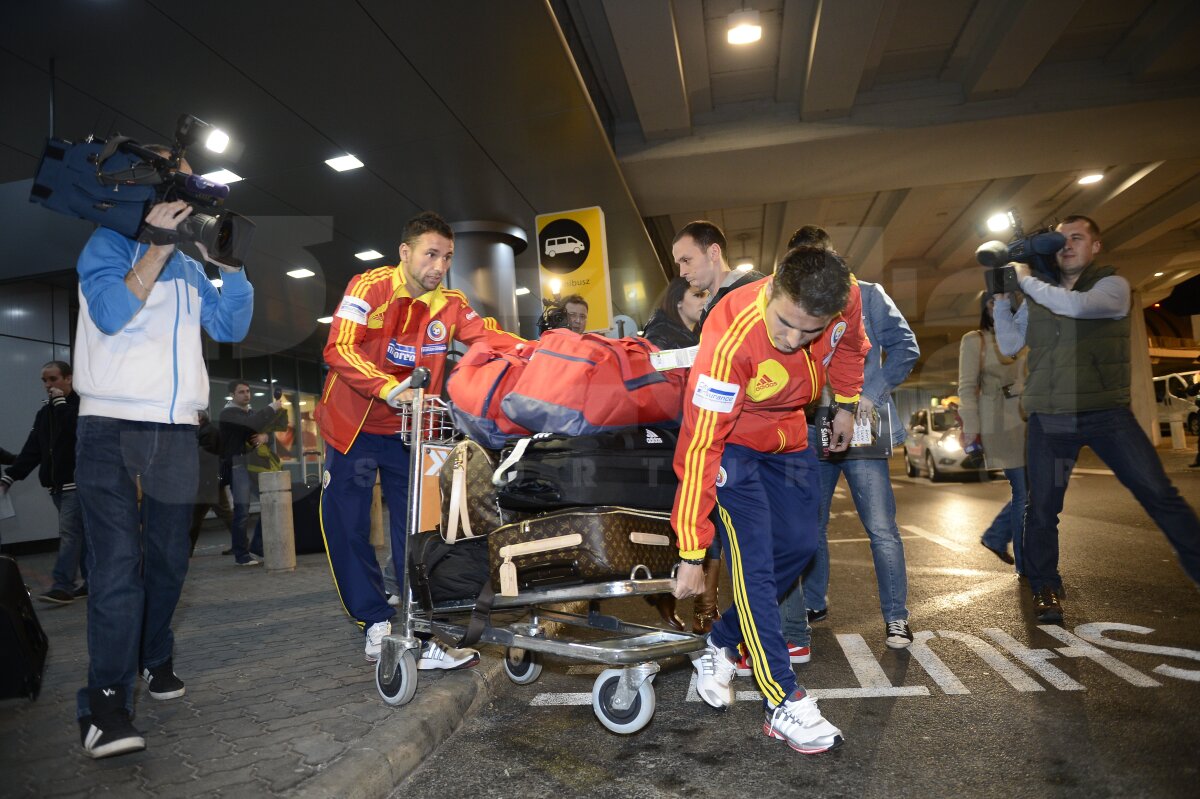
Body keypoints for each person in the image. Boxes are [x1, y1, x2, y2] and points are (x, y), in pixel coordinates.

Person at [71, 149, 254, 758]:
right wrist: (152, 246)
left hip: (177, 430)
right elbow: (109, 313)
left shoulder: (188, 269)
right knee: (117, 565)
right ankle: (105, 707)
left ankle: (154, 657)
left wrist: (230, 268)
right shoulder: (108, 241)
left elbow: (230, 328)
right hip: (110, 425)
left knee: (171, 560)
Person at [672, 245, 866, 754]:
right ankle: (782, 701)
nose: (794, 340)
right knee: (753, 561)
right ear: (773, 284)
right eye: (786, 324)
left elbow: (850, 348)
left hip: (790, 436)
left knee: (802, 546)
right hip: (733, 444)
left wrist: (844, 404)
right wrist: (692, 549)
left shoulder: (846, 299)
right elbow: (699, 445)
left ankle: (721, 639)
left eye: (810, 331)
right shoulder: (730, 335)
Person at [315, 211, 524, 666]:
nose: (439, 266)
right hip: (352, 427)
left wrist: (540, 352)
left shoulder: (450, 303)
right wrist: (390, 388)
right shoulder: (367, 287)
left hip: (411, 432)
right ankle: (374, 621)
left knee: (415, 531)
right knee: (348, 526)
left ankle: (416, 624)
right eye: (431, 254)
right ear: (405, 252)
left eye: (447, 256)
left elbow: (486, 336)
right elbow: (339, 347)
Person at [993, 214, 1200, 622]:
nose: (1067, 245)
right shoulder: (1038, 296)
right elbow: (1010, 344)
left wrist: (1027, 280)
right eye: (1060, 239)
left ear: (1095, 246)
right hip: (1050, 417)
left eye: (1076, 237)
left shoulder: (1112, 286)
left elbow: (1078, 307)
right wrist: (1002, 302)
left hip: (1106, 411)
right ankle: (1045, 587)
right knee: (1042, 508)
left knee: (1159, 494)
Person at [795, 256, 919, 647]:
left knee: (881, 527)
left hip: (863, 422)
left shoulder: (867, 294)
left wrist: (871, 394)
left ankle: (896, 618)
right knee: (810, 526)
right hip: (816, 423)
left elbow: (905, 348)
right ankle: (814, 603)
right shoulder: (797, 300)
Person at [670, 221, 769, 634]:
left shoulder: (757, 293)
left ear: (713, 253)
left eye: (686, 259)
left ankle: (766, 637)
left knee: (763, 549)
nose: (682, 272)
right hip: (732, 438)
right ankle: (763, 635)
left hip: (757, 439)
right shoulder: (714, 306)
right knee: (754, 549)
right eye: (677, 263)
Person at [1, 361, 87, 604]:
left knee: (70, 533)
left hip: (77, 483)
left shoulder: (81, 406)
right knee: (80, 534)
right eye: (44, 380)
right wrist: (11, 476)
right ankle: (91, 582)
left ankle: (62, 586)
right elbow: (34, 448)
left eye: (53, 379)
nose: (48, 385)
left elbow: (78, 433)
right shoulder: (45, 413)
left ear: (69, 379)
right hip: (56, 486)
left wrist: (61, 404)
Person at [958, 293, 1027, 569]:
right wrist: (972, 434)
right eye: (991, 302)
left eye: (1005, 300)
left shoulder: (1024, 334)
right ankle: (1028, 566)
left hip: (1032, 420)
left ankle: (997, 536)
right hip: (1000, 423)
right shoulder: (975, 340)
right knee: (1025, 491)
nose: (998, 306)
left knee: (1036, 492)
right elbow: (966, 389)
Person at [219, 381, 284, 566]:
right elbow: (250, 426)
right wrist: (271, 407)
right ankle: (241, 555)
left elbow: (264, 431)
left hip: (255, 466)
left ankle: (257, 546)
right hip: (238, 466)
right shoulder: (228, 413)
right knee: (242, 512)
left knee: (269, 503)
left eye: (248, 391)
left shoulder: (250, 412)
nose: (246, 395)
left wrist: (266, 437)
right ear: (232, 395)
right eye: (241, 392)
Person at [188, 410, 233, 556]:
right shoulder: (205, 430)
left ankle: (242, 544)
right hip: (207, 481)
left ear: (199, 417)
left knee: (224, 513)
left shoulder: (208, 431)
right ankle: (187, 549)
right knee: (196, 516)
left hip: (209, 481)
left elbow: (204, 454)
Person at [643, 277, 707, 351]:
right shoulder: (659, 336)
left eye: (708, 296)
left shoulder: (705, 330)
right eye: (698, 295)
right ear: (678, 301)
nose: (705, 301)